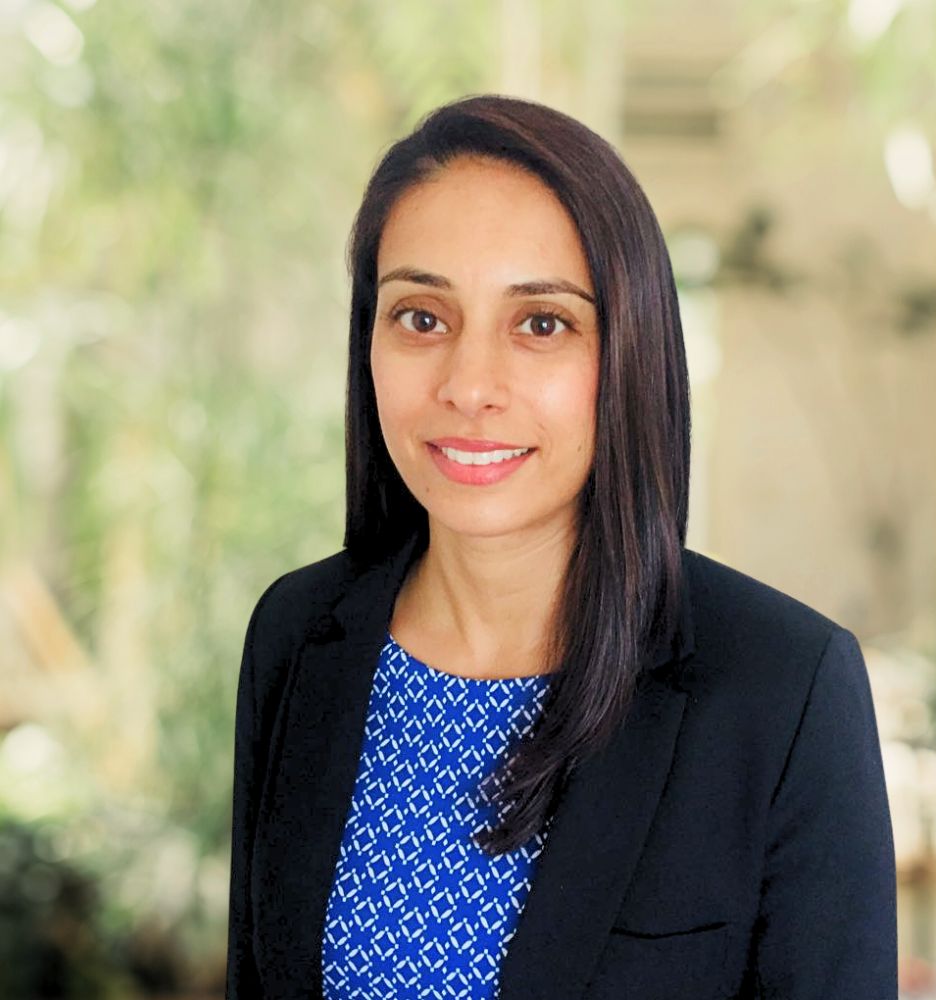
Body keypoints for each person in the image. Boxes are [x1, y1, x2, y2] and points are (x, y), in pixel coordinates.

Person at [225, 94, 897, 999]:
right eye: (421, 317)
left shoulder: (782, 689)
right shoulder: (299, 636)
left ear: (629, 352)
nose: (469, 385)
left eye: (540, 323)